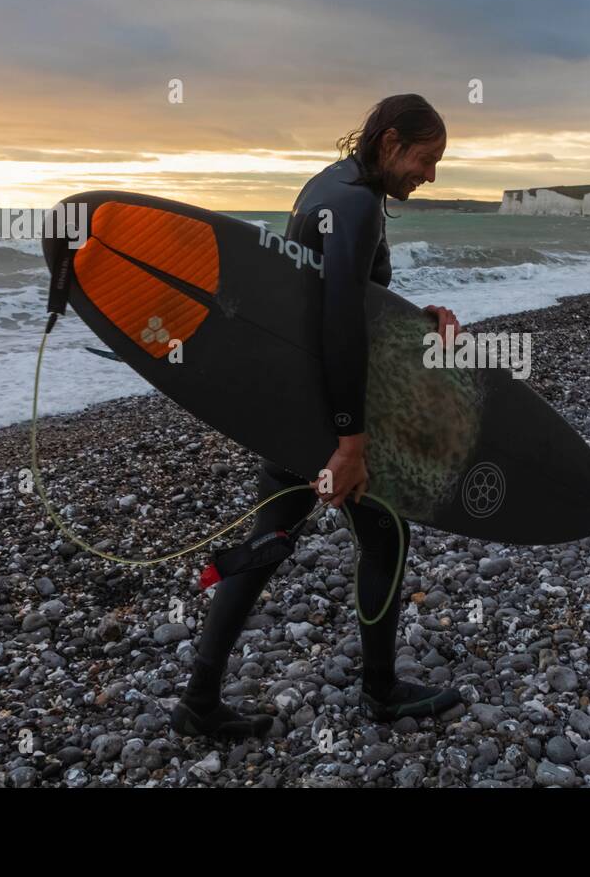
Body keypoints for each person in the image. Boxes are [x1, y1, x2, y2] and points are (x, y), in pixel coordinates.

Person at [171, 95, 463, 740]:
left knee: (268, 540)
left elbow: (339, 302)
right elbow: (337, 328)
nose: (431, 174)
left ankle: (199, 698)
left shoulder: (326, 186)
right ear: (390, 143)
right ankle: (382, 693)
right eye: (426, 158)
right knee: (385, 536)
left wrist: (416, 319)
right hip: (328, 415)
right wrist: (349, 443)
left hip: (292, 405)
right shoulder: (357, 204)